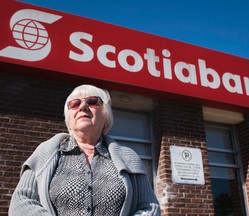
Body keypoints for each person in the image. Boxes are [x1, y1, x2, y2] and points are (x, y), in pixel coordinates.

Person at [9, 84, 161, 216]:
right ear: (69, 117)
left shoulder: (128, 157)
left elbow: (149, 207)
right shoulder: (46, 152)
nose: (83, 106)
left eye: (92, 101)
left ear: (106, 114)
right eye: (74, 104)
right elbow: (21, 202)